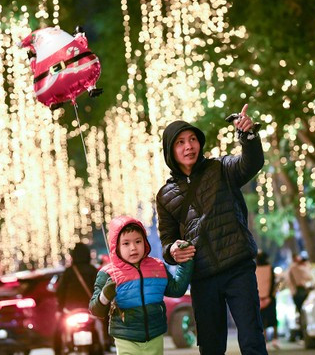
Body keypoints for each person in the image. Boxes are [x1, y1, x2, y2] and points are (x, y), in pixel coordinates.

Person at [156, 103, 267, 354]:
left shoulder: (221, 168)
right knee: (211, 345)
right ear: (170, 150)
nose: (189, 146)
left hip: (238, 266)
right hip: (203, 276)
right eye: (180, 142)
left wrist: (248, 136)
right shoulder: (165, 195)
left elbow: (252, 163)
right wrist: (172, 249)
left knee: (252, 339)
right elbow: (167, 240)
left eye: (192, 139)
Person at [90, 215, 193, 355]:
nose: (133, 248)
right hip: (126, 337)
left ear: (144, 242)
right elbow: (96, 310)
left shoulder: (157, 266)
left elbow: (176, 290)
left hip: (155, 334)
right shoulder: (108, 273)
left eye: (138, 241)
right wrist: (104, 296)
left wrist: (186, 261)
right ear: (116, 246)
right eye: (126, 243)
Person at [55, 242, 100, 354]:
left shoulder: (69, 272)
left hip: (70, 310)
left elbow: (60, 292)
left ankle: (58, 350)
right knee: (100, 328)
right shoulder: (93, 270)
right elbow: (100, 289)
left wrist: (60, 309)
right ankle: (105, 345)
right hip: (90, 309)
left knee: (58, 332)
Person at [284, 253, 314, 341]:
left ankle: (302, 332)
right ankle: (303, 332)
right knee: (302, 312)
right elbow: (309, 277)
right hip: (301, 291)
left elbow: (287, 281)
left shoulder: (291, 268)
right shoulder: (299, 268)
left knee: (301, 312)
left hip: (296, 293)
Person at [255, 251, 279, 350]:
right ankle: (275, 339)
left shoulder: (254, 269)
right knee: (273, 319)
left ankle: (265, 340)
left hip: (258, 298)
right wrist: (271, 295)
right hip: (270, 298)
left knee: (262, 320)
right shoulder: (270, 268)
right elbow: (274, 283)